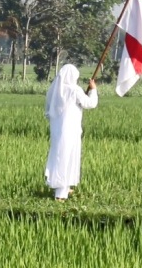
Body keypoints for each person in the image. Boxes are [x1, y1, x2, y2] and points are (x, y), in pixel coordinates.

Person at [44, 64, 98, 202]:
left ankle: (64, 187)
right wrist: (93, 90)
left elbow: (48, 110)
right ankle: (60, 194)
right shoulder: (75, 90)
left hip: (57, 130)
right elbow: (89, 103)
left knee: (60, 156)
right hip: (71, 130)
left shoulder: (53, 90)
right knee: (67, 158)